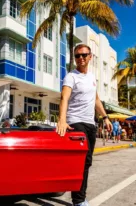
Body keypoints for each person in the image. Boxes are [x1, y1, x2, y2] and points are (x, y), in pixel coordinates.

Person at [56, 44, 112, 206]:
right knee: (81, 161)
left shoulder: (92, 77)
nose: (80, 58)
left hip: (90, 123)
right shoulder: (71, 77)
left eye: (83, 55)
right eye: (77, 56)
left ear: (90, 57)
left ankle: (79, 195)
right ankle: (78, 200)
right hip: (75, 122)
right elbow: (64, 98)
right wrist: (62, 120)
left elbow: (96, 100)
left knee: (87, 162)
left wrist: (106, 117)